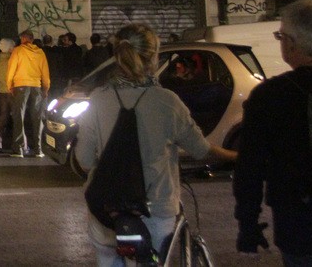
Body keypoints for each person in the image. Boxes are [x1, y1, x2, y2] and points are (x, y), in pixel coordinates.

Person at [76, 23, 236, 267]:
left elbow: (85, 161)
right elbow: (201, 149)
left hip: (106, 208)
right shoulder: (167, 102)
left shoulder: (98, 99)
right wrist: (234, 156)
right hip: (155, 206)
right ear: (153, 57)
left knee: (108, 260)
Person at [233, 0, 312, 263]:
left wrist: (248, 224)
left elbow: (250, 168)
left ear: (290, 42)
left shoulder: (270, 96)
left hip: (300, 226)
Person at [7, 29, 50, 157]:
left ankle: (19, 149)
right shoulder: (40, 52)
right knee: (37, 117)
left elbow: (11, 69)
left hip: (20, 86)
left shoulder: (18, 51)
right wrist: (46, 88)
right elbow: (45, 72)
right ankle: (38, 149)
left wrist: (10, 86)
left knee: (19, 116)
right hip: (36, 86)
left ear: (24, 39)